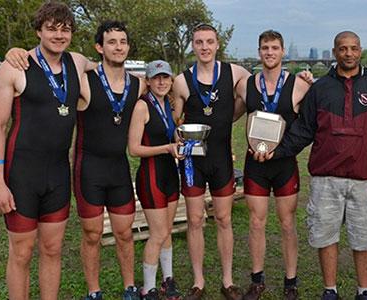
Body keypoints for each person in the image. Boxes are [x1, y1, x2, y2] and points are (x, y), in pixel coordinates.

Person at [255, 30, 367, 300]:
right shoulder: (319, 89)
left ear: (360, 50)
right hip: (325, 178)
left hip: (364, 177)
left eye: (353, 48)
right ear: (334, 52)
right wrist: (277, 150)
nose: (349, 53)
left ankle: (364, 291)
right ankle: (330, 290)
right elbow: (304, 130)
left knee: (363, 238)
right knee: (325, 236)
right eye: (343, 49)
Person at [0, 2, 93, 299]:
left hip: (58, 174)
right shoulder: (15, 66)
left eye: (65, 29)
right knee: (21, 252)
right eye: (51, 29)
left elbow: (106, 64)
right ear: (38, 31)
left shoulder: (77, 62)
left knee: (52, 249)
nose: (59, 36)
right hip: (22, 174)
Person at [170, 23, 251, 300]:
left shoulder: (236, 73)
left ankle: (227, 281)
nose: (204, 47)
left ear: (217, 45)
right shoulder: (181, 81)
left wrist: (301, 79)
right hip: (193, 162)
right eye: (199, 42)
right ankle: (198, 282)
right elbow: (175, 121)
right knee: (194, 220)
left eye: (209, 42)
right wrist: (175, 137)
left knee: (224, 219)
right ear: (193, 45)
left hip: (221, 159)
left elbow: (255, 93)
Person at [73, 20, 146, 300]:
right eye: (112, 42)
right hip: (88, 168)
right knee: (92, 235)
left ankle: (129, 287)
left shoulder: (138, 85)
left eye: (123, 42)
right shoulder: (84, 81)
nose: (119, 47)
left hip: (119, 169)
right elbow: (64, 64)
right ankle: (94, 291)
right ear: (99, 47)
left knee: (125, 233)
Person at [234, 30, 310, 300]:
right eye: (265, 48)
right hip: (255, 163)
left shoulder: (300, 85)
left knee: (287, 223)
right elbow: (230, 115)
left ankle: (290, 282)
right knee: (256, 223)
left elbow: (309, 124)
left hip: (284, 164)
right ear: (259, 52)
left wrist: (282, 150)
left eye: (274, 48)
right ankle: (257, 281)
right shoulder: (245, 85)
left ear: (283, 52)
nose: (269, 52)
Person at [127, 60, 183, 300]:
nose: (161, 82)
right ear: (148, 81)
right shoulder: (142, 106)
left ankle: (167, 279)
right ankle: (147, 288)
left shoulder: (167, 105)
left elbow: (171, 135)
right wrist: (167, 148)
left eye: (165, 77)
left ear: (171, 81)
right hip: (151, 176)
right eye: (156, 77)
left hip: (170, 174)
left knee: (167, 231)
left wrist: (180, 139)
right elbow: (134, 149)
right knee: (158, 234)